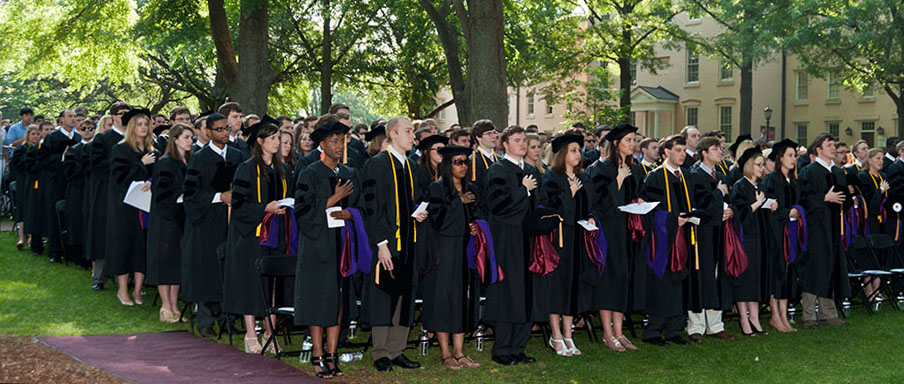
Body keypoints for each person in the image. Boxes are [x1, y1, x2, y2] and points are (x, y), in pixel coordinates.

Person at [360, 116, 427, 372]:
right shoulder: (376, 165)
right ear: (393, 135)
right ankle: (380, 353)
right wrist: (381, 243)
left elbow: (416, 200)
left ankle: (397, 350)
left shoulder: (412, 167)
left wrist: (419, 212)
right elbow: (372, 207)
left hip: (410, 242)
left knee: (404, 296)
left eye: (413, 131)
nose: (413, 136)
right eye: (408, 131)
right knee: (384, 294)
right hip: (387, 242)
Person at [223, 119, 295, 354]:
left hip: (276, 234)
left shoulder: (281, 170)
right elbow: (240, 205)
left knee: (273, 284)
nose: (277, 142)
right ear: (260, 141)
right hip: (251, 236)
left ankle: (269, 334)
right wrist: (266, 208)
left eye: (278, 138)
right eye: (272, 138)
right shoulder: (246, 169)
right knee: (251, 284)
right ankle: (250, 334)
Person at [294, 121, 360, 378]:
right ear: (322, 144)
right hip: (317, 246)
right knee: (317, 299)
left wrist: (348, 212)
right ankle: (318, 354)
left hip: (342, 244)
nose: (339, 145)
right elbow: (302, 211)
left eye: (342, 141)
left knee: (338, 299)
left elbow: (361, 208)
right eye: (334, 141)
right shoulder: (309, 173)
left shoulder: (351, 172)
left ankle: (332, 355)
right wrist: (333, 198)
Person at [182, 112, 246, 337]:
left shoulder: (238, 156)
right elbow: (190, 195)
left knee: (229, 270)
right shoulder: (199, 159)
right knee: (207, 271)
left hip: (231, 222)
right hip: (207, 222)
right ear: (208, 132)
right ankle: (206, 320)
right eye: (219, 129)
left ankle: (228, 319)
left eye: (226, 128)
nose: (224, 133)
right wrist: (220, 197)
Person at [421, 145, 484, 370]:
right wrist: (459, 202)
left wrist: (475, 226)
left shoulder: (471, 187)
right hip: (443, 251)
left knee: (461, 298)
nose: (463, 166)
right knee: (442, 298)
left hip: (464, 250)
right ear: (448, 165)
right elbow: (436, 221)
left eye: (466, 162)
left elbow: (477, 214)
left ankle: (459, 352)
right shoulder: (437, 189)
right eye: (458, 162)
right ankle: (446, 353)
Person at [533, 132, 593, 356]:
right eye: (574, 150)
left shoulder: (583, 177)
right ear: (562, 154)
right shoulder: (551, 178)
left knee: (572, 286)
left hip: (577, 237)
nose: (578, 154)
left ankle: (568, 335)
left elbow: (589, 205)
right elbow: (551, 211)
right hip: (558, 239)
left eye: (579, 150)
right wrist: (570, 194)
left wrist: (592, 216)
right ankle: (556, 335)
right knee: (557, 287)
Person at [484, 126, 539, 365]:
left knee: (526, 292)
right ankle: (502, 349)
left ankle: (519, 347)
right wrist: (522, 191)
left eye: (524, 140)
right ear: (504, 144)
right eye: (517, 140)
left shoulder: (530, 169)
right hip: (506, 238)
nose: (523, 144)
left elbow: (539, 205)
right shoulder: (497, 170)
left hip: (528, 239)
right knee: (508, 293)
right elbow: (497, 207)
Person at [584, 125, 640, 352]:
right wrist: (617, 181)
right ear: (616, 143)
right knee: (608, 281)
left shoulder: (632, 168)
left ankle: (619, 332)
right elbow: (598, 204)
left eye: (634, 140)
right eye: (628, 140)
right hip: (607, 231)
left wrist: (638, 200)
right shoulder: (600, 169)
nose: (633, 144)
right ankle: (607, 334)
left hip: (625, 230)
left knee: (622, 279)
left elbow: (634, 195)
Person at [640, 135, 694, 347]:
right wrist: (673, 220)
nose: (682, 154)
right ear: (666, 153)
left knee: (680, 282)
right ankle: (653, 330)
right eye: (678, 150)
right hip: (663, 239)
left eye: (683, 150)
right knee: (662, 284)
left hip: (684, 235)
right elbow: (651, 210)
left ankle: (674, 329)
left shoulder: (687, 176)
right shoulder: (655, 177)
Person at [797, 133, 850, 329]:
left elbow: (844, 197)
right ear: (818, 149)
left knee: (831, 265)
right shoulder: (808, 172)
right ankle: (809, 315)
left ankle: (829, 313)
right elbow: (802, 200)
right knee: (815, 267)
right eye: (829, 145)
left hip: (834, 225)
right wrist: (824, 198)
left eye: (834, 144)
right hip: (816, 227)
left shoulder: (837, 171)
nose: (833, 148)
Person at [686, 136, 736, 343]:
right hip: (701, 232)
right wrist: (717, 193)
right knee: (701, 276)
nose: (720, 152)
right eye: (715, 149)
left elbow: (726, 199)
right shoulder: (695, 175)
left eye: (720, 148)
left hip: (719, 230)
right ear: (704, 153)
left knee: (716, 276)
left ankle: (715, 325)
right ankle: (695, 326)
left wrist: (730, 210)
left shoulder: (720, 173)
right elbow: (700, 204)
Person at [105, 108, 156, 306]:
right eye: (140, 124)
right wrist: (140, 164)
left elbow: (159, 173)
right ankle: (123, 290)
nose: (143, 128)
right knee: (124, 247)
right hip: (125, 207)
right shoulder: (120, 149)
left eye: (146, 124)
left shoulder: (154, 149)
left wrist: (152, 180)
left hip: (146, 207)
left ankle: (137, 291)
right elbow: (118, 178)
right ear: (133, 127)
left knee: (142, 247)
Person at [147, 124, 193, 323]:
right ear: (175, 139)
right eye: (186, 137)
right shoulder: (166, 163)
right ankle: (165, 307)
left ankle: (175, 306)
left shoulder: (189, 161)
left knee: (177, 264)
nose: (190, 140)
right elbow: (161, 194)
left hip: (182, 218)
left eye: (191, 137)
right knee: (165, 263)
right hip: (166, 219)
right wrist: (181, 195)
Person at [728, 148, 775, 336]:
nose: (762, 168)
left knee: (755, 278)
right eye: (758, 165)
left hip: (759, 238)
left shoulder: (761, 185)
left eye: (763, 165)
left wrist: (771, 205)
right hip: (744, 238)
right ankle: (743, 319)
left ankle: (754, 318)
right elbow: (738, 214)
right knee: (745, 278)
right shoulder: (740, 186)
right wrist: (757, 204)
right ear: (749, 165)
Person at [760, 138, 801, 333]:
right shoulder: (771, 179)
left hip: (790, 232)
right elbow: (767, 206)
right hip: (775, 234)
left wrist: (797, 211)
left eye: (795, 156)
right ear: (780, 158)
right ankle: (775, 316)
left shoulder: (792, 180)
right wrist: (787, 213)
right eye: (790, 155)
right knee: (776, 273)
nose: (794, 159)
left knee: (787, 274)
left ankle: (784, 316)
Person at [87, 105, 128, 291]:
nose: (126, 117)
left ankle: (130, 277)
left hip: (130, 192)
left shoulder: (137, 138)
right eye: (122, 114)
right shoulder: (102, 139)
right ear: (113, 117)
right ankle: (99, 277)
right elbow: (97, 165)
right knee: (104, 231)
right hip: (107, 190)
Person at [857, 148, 891, 299]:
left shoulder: (883, 176)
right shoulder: (863, 177)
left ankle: (877, 290)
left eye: (882, 159)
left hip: (882, 221)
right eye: (877, 158)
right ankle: (868, 290)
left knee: (880, 253)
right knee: (869, 253)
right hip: (869, 220)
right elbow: (869, 202)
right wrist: (880, 190)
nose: (880, 161)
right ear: (869, 160)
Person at [62, 120, 97, 266]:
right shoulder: (73, 150)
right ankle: (79, 257)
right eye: (84, 128)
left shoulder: (98, 148)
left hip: (94, 189)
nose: (87, 131)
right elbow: (69, 172)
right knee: (77, 221)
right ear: (79, 130)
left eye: (90, 128)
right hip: (78, 190)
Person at [10, 125, 41, 250]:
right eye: (33, 134)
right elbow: (17, 165)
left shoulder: (42, 149)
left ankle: (33, 237)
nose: (35, 137)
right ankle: (21, 237)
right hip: (24, 181)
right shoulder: (21, 149)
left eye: (38, 134)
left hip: (37, 182)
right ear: (28, 135)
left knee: (34, 208)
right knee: (23, 208)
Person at [470, 120, 499, 203]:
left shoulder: (501, 159)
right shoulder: (473, 161)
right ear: (478, 137)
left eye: (494, 132)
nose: (494, 136)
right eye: (489, 134)